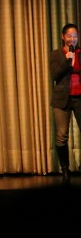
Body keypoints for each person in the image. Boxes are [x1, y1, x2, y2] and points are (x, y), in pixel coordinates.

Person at [50, 23, 80, 183]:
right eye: (69, 36)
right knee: (61, 136)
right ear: (63, 37)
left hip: (79, 98)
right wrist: (66, 61)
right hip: (61, 100)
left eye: (75, 36)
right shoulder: (56, 55)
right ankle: (65, 170)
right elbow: (54, 75)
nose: (72, 39)